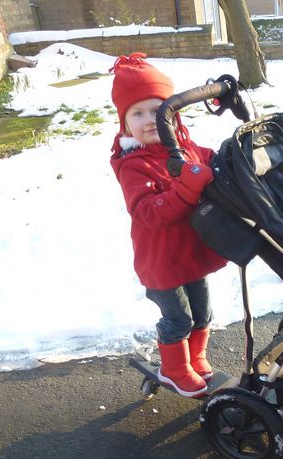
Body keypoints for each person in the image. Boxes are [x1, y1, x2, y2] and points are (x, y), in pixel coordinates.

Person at [109, 53, 226, 397]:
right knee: (179, 319)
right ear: (124, 122)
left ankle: (196, 359)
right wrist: (189, 185)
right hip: (160, 262)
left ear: (173, 115)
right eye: (137, 113)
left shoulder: (186, 147)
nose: (149, 121)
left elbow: (211, 161)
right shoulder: (134, 165)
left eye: (158, 112)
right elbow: (148, 211)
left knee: (203, 312)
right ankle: (175, 369)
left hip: (189, 254)